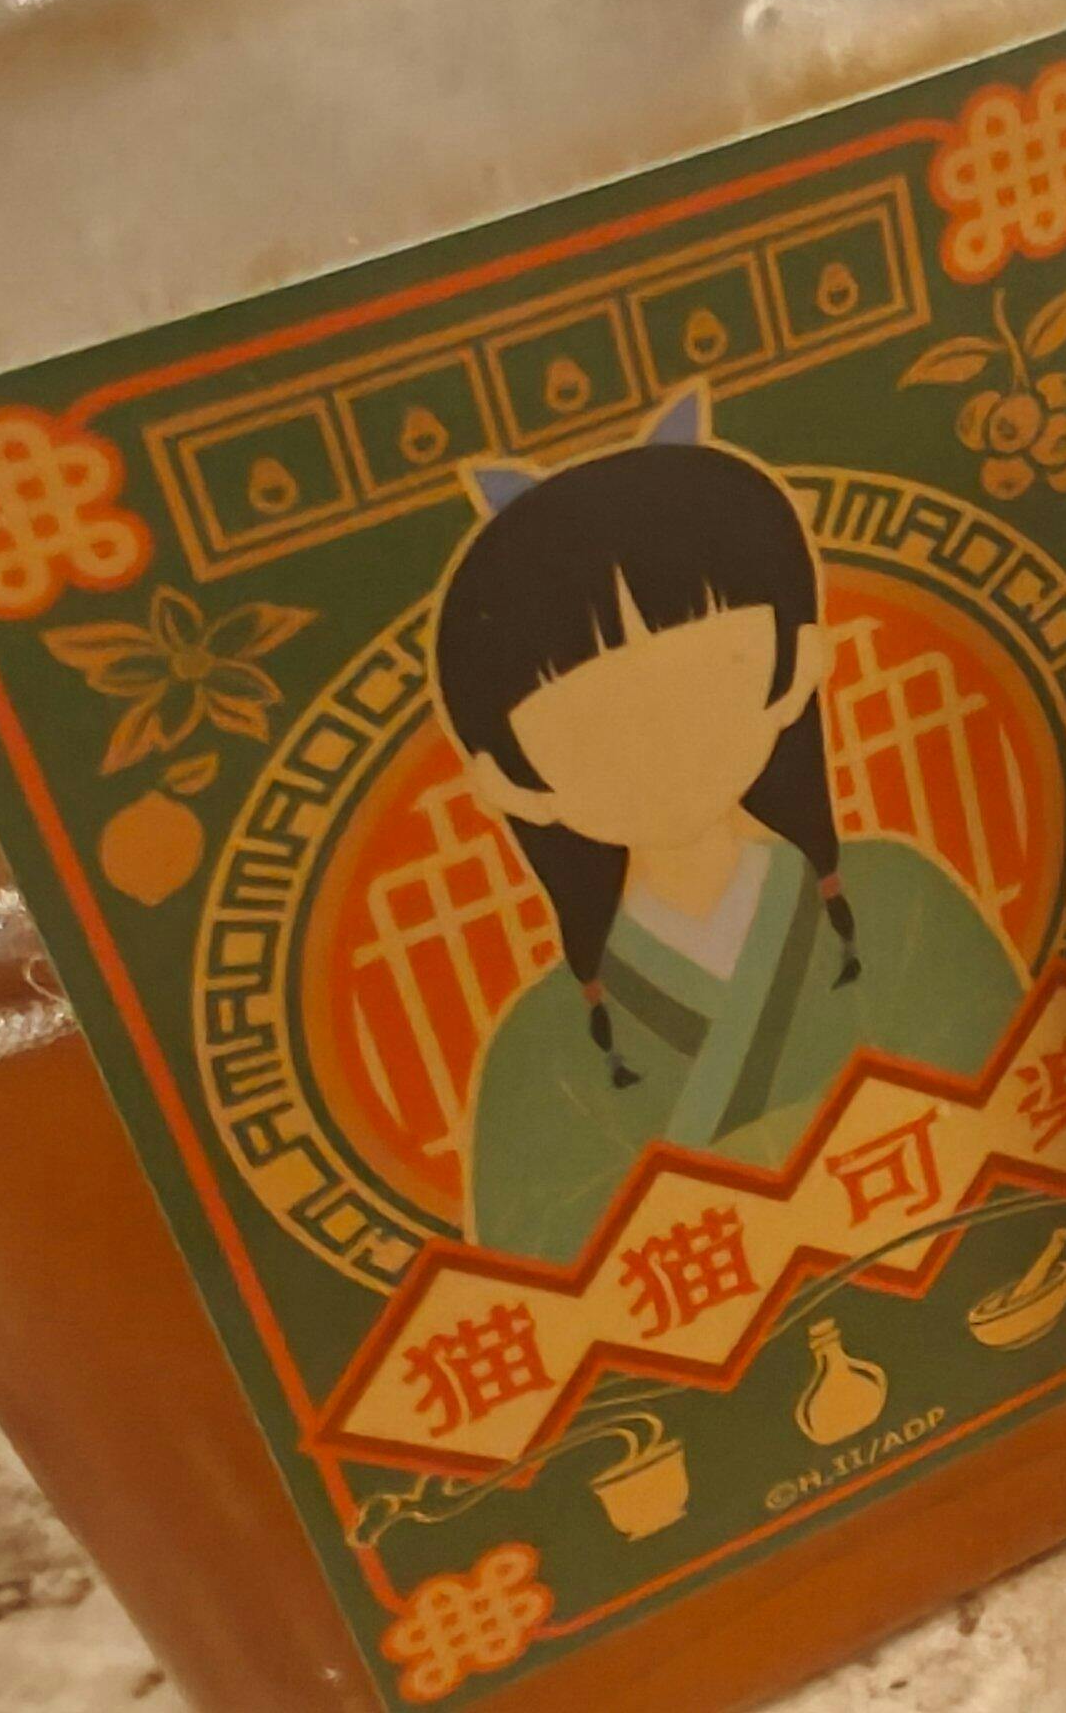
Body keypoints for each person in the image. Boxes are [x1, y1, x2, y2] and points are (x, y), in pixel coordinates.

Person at [437, 393, 1023, 1259]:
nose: (660, 740)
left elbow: (1021, 1120)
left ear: (797, 669)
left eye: (706, 679)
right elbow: (550, 1271)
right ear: (511, 782)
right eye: (592, 722)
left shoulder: (899, 902)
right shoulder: (542, 1047)